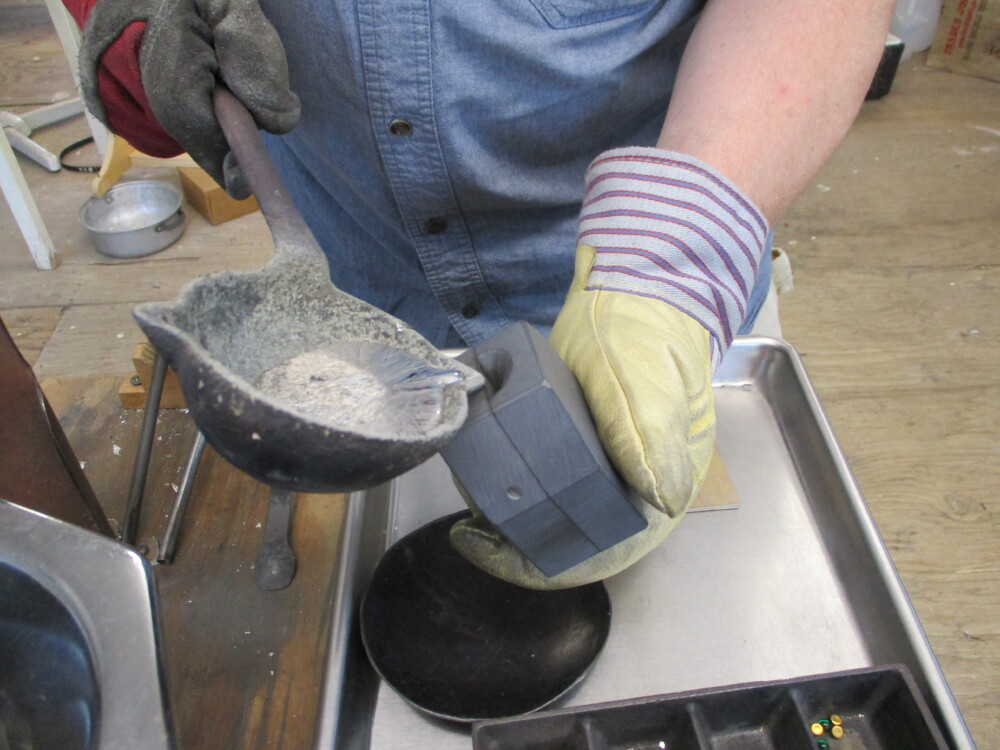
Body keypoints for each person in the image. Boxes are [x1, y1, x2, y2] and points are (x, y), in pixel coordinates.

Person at [64, 0, 894, 588]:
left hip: (654, 302)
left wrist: (665, 271)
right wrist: (132, 24)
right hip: (364, 323)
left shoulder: (661, 286)